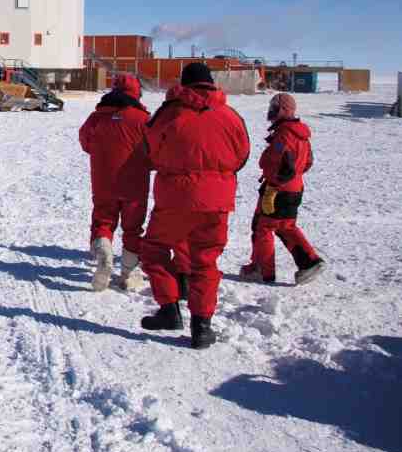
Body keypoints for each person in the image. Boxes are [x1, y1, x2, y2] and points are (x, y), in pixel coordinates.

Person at [138, 63, 250, 349]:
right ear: (210, 83)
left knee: (154, 251)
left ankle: (169, 309)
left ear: (184, 84)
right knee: (205, 262)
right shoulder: (230, 116)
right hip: (217, 201)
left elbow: (149, 150)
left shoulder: (170, 112)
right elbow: (242, 155)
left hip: (175, 197)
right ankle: (202, 327)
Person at [242, 93, 328, 285]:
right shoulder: (301, 133)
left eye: (274, 108)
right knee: (282, 226)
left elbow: (277, 163)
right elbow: (307, 162)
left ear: (283, 110)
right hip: (294, 187)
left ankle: (264, 271)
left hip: (278, 188)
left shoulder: (285, 133)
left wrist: (274, 185)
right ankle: (309, 262)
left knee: (264, 228)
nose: (271, 111)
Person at [78, 73, 149, 292]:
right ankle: (129, 273)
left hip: (103, 180)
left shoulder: (96, 117)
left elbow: (85, 141)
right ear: (137, 93)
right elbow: (155, 149)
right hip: (135, 183)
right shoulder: (143, 119)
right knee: (133, 228)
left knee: (104, 220)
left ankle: (104, 253)